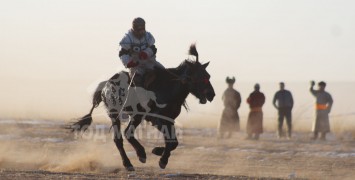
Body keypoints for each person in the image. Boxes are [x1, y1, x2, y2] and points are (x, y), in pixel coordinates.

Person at [118, 17, 164, 88]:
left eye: (143, 29)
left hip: (150, 62)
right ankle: (141, 98)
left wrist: (146, 53)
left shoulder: (148, 36)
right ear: (134, 28)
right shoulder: (127, 38)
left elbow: (153, 48)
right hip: (136, 65)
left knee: (164, 72)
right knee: (137, 80)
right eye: (139, 30)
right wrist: (128, 62)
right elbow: (122, 53)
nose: (141, 32)